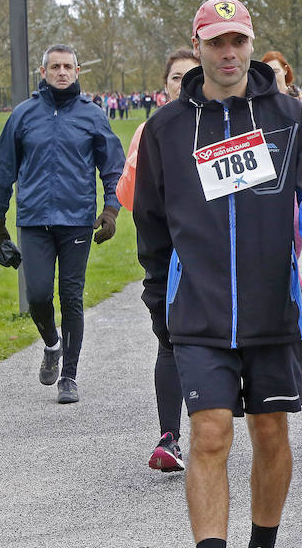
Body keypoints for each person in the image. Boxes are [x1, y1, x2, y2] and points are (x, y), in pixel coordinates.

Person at [133, 0, 302, 548]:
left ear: (251, 45)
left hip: (273, 306)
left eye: (238, 41)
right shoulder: (167, 129)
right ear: (198, 45)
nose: (228, 53)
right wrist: (159, 293)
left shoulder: (290, 119)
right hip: (200, 310)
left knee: (270, 432)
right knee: (208, 434)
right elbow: (152, 221)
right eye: (215, 42)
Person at [0, 44, 125, 404]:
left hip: (77, 221)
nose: (62, 72)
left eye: (68, 66)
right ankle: (51, 343)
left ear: (77, 71)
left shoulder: (93, 116)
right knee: (37, 295)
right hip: (33, 221)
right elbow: (3, 172)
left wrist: (110, 210)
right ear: (43, 71)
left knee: (71, 297)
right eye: (55, 67)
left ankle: (69, 376)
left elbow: (113, 167)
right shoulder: (23, 115)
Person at [115, 47, 199, 473]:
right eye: (175, 78)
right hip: (165, 258)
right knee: (169, 341)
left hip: (210, 257)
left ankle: (217, 425)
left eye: (191, 76)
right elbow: (128, 197)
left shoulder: (218, 127)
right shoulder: (150, 131)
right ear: (164, 87)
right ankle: (169, 438)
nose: (183, 84)